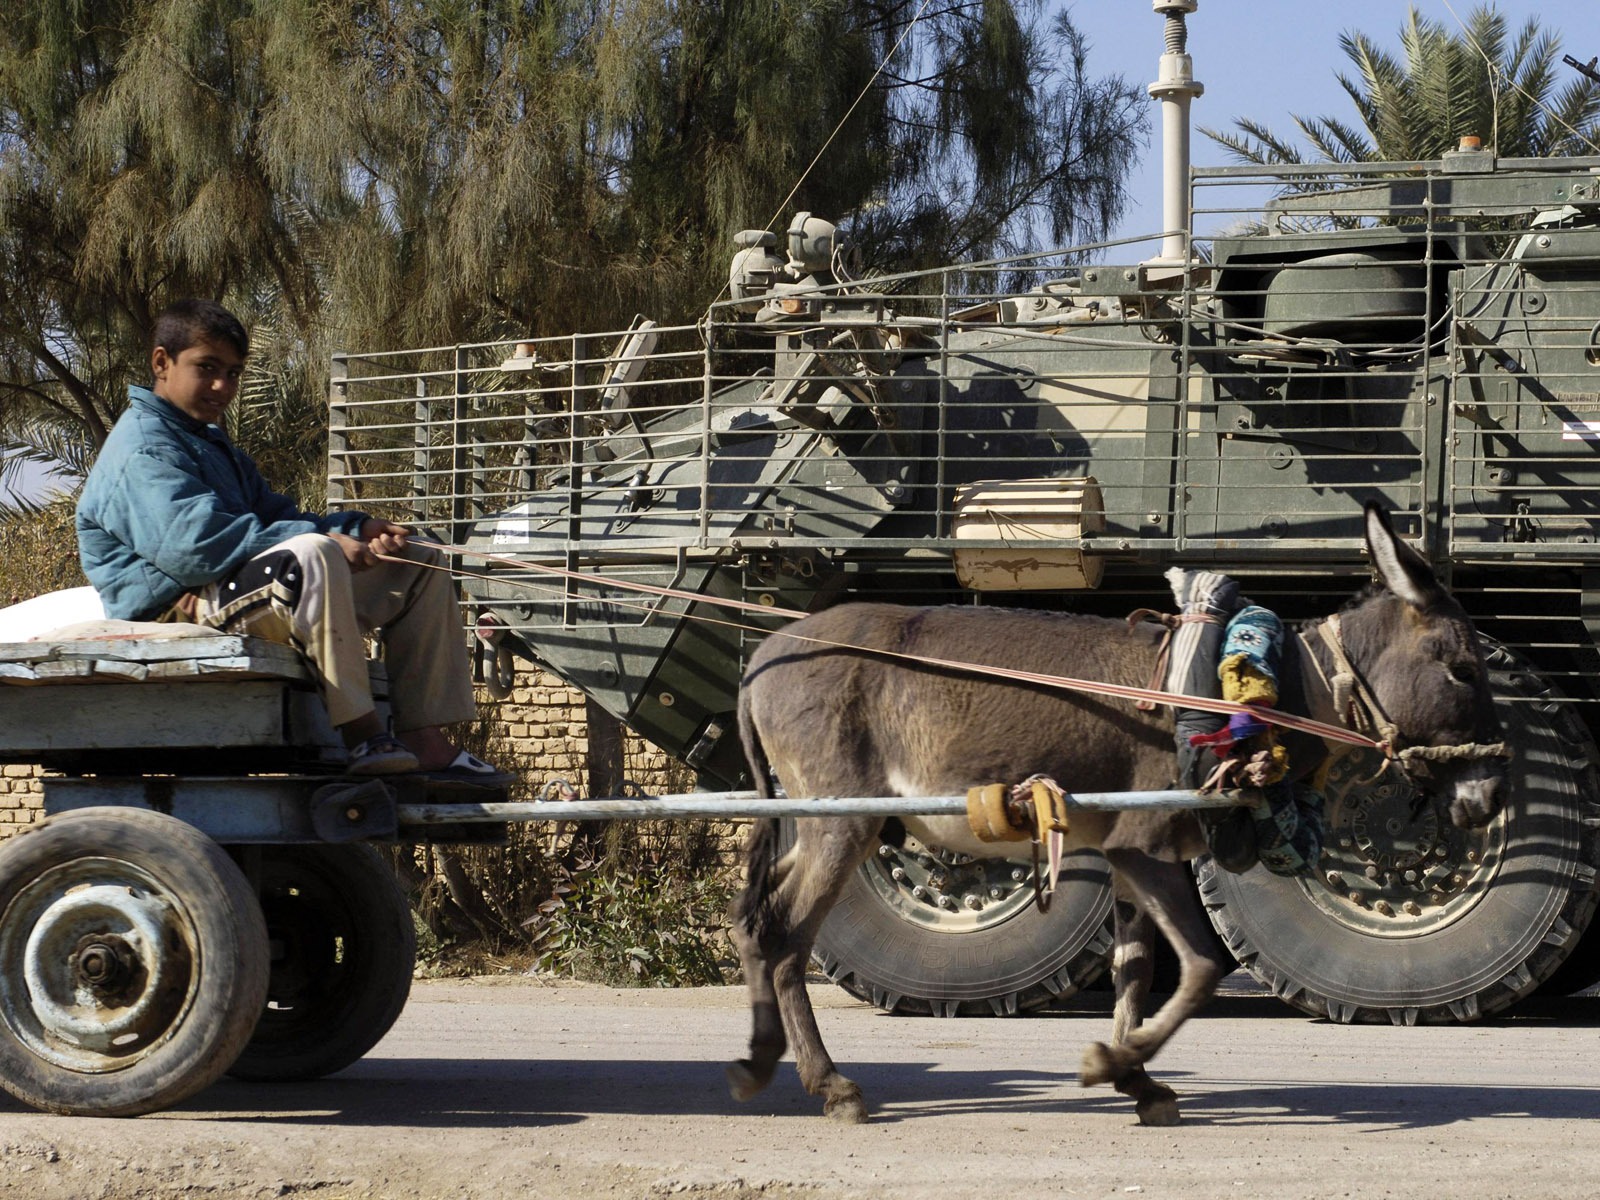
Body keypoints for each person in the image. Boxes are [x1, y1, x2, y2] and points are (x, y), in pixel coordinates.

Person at [75, 298, 499, 779]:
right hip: (180, 606)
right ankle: (364, 736)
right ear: (161, 362)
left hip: (234, 589)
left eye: (233, 373)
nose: (222, 386)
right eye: (206, 368)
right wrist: (325, 542)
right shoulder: (143, 447)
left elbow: (274, 514)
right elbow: (195, 549)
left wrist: (357, 528)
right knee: (310, 555)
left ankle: (424, 739)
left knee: (417, 559)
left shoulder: (205, 440)